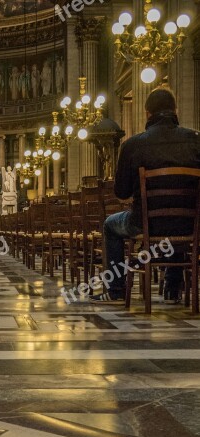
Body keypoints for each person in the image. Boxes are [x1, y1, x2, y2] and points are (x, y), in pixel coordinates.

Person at [92, 88, 200, 305]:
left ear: (147, 113)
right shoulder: (196, 140)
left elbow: (121, 192)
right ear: (175, 110)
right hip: (192, 224)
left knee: (109, 225)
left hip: (145, 223)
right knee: (177, 217)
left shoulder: (133, 145)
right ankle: (172, 289)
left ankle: (116, 290)